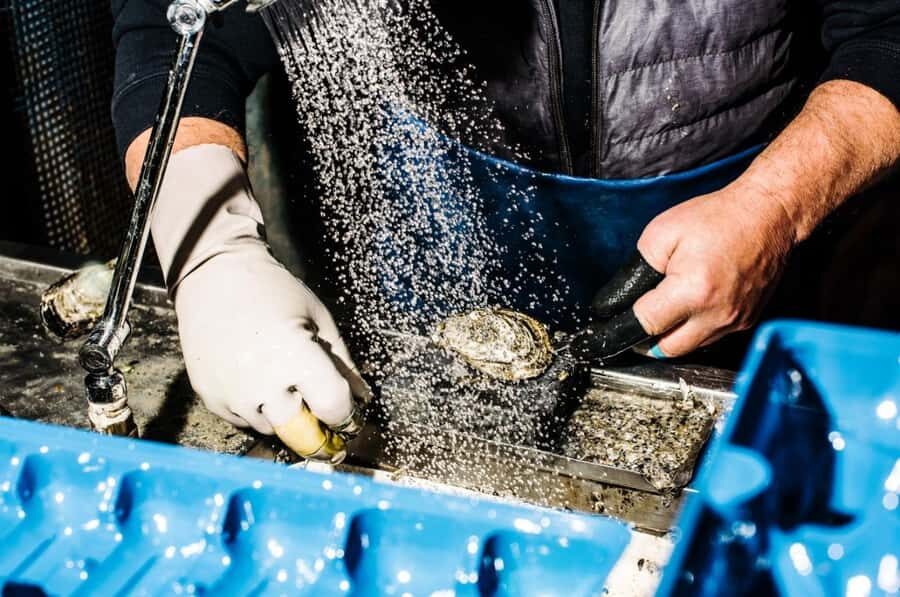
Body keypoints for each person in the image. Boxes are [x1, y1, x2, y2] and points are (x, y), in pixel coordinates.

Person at [111, 0, 900, 458]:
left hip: (746, 227)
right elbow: (181, 29)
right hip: (440, 228)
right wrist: (211, 250)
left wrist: (777, 206)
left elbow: (887, 31)